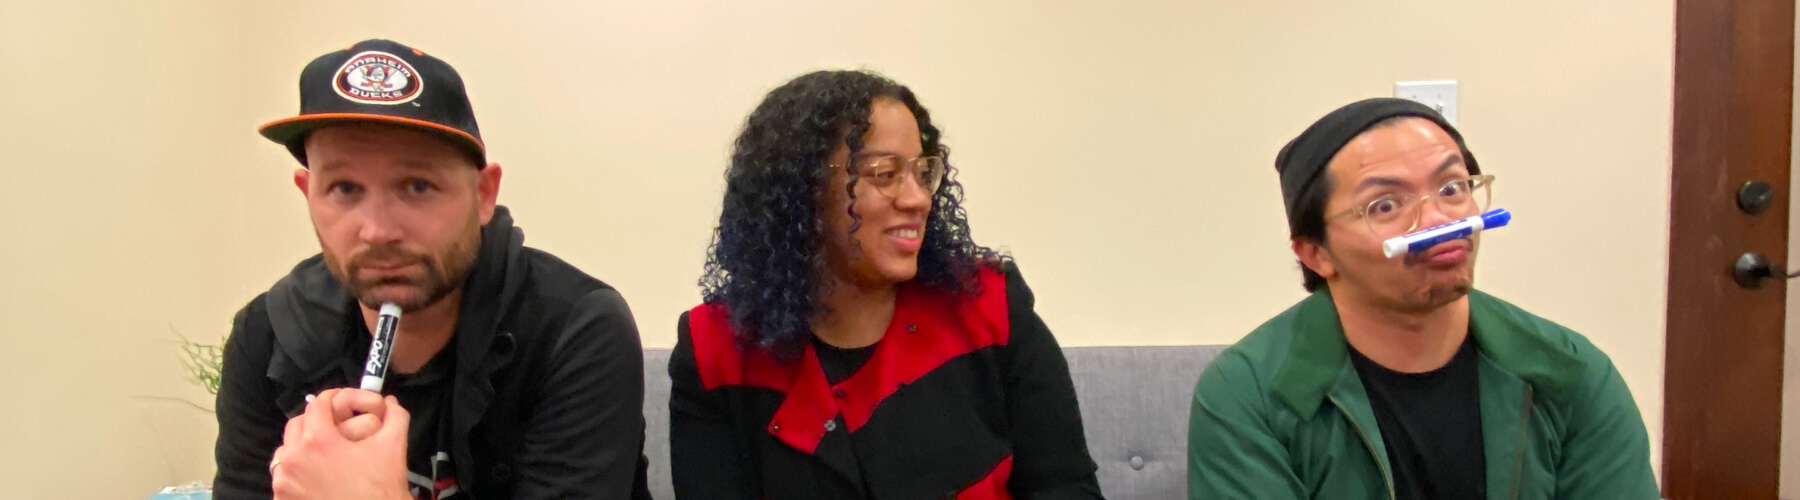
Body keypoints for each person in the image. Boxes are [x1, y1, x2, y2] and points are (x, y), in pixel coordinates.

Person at [213, 39, 651, 500]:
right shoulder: (269, 337)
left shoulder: (573, 330)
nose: (378, 231)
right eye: (344, 188)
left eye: (418, 186)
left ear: (484, 194)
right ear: (308, 194)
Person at [1186, 98, 1659, 499]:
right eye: (1386, 205)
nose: (1437, 220)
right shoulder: (1248, 395)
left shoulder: (1570, 373)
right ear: (1316, 253)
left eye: (1453, 189)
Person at [668, 70, 1104, 499]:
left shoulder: (989, 307)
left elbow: (1066, 486)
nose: (917, 198)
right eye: (884, 172)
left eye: (922, 172)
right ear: (803, 190)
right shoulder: (716, 352)